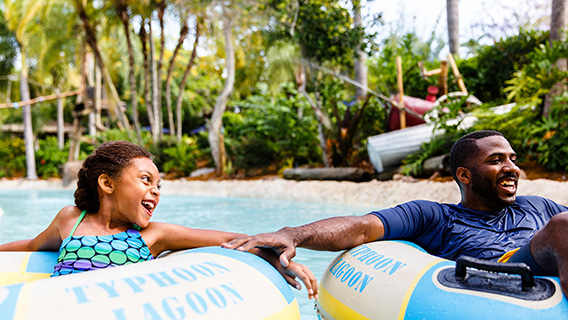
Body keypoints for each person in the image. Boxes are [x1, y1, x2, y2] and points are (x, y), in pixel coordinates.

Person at [223, 130, 568, 297]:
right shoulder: (435, 217)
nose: (512, 168)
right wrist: (292, 234)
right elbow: (361, 228)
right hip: (501, 277)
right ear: (464, 175)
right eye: (496, 161)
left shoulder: (539, 206)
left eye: (512, 159)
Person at [0, 140, 317, 299]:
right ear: (108, 184)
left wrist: (278, 257)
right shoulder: (71, 219)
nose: (155, 191)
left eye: (159, 186)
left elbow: (233, 241)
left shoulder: (152, 235)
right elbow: (32, 245)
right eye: (145, 180)